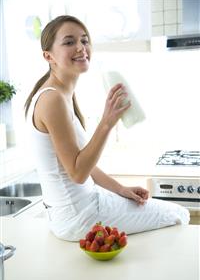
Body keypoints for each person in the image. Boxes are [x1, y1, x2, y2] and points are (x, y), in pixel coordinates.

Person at [25, 15, 190, 241]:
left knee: (163, 213)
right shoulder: (53, 100)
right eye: (69, 42)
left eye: (84, 40)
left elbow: (83, 165)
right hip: (80, 217)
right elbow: (78, 173)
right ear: (48, 56)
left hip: (77, 211)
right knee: (179, 214)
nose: (81, 48)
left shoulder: (60, 94)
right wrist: (107, 122)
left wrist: (120, 189)